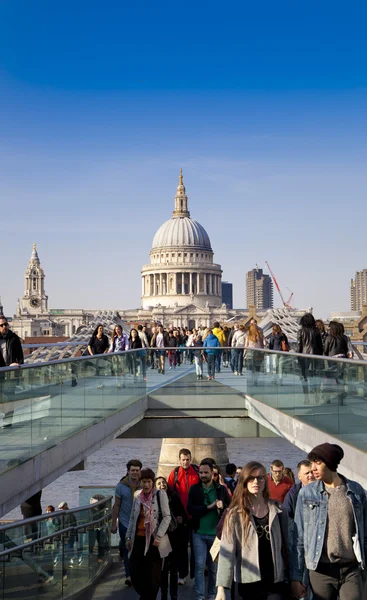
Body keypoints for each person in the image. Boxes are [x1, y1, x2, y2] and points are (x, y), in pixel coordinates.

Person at [291, 443, 366, 600]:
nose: (313, 468)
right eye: (312, 463)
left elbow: (365, 533)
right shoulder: (306, 493)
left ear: (330, 463)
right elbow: (299, 538)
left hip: (351, 568)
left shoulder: (355, 491)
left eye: (318, 463)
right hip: (320, 571)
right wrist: (296, 577)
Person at [216, 461, 290, 600]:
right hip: (247, 582)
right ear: (244, 481)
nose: (255, 481)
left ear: (265, 480)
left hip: (275, 580)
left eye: (260, 477)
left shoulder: (279, 510)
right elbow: (227, 551)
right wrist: (221, 588)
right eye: (251, 478)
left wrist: (296, 579)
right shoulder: (235, 514)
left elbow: (288, 547)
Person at [188, 460, 231, 600]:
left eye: (206, 472)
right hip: (198, 533)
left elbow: (230, 509)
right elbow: (190, 509)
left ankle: (212, 595)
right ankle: (200, 596)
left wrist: (222, 506)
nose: (203, 475)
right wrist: (208, 507)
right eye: (201, 472)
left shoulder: (221, 489)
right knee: (199, 566)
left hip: (216, 535)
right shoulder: (194, 489)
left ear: (213, 474)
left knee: (214, 568)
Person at [126, 468, 172, 600]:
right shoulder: (137, 495)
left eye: (149, 482)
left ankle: (148, 597)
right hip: (138, 540)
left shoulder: (160, 494)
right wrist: (128, 537)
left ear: (152, 482)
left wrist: (159, 536)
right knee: (134, 570)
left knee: (153, 576)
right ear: (140, 482)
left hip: (154, 541)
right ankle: (145, 595)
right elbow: (132, 518)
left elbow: (167, 517)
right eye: (144, 482)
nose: (146, 485)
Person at [167, 448, 200, 585]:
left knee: (196, 547)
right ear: (179, 460)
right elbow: (168, 495)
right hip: (181, 518)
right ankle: (182, 575)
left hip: (196, 516)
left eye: (187, 459)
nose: (185, 462)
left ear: (190, 459)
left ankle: (195, 573)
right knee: (180, 548)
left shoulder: (197, 472)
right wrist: (174, 516)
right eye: (183, 459)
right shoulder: (174, 474)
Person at [111, 458, 142, 586]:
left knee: (139, 549)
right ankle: (128, 575)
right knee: (127, 549)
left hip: (140, 522)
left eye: (137, 470)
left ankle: (138, 573)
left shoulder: (144, 484)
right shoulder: (121, 486)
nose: (135, 472)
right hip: (125, 522)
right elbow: (116, 505)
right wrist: (114, 524)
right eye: (132, 470)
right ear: (128, 471)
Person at [155, 476, 187, 600]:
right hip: (162, 538)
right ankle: (163, 595)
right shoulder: (154, 499)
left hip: (174, 537)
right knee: (163, 569)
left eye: (163, 482)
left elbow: (183, 515)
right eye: (159, 483)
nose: (162, 485)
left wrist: (180, 519)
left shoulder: (174, 497)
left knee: (173, 570)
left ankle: (174, 595)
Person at [0, 316, 24, 428]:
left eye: (6, 324)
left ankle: (7, 421)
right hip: (0, 373)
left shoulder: (14, 338)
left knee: (9, 397)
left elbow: (21, 356)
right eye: (1, 325)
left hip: (11, 373)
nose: (4, 327)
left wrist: (17, 366)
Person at [297, 313, 323, 392]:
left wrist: (298, 357)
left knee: (304, 376)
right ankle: (316, 394)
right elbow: (320, 345)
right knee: (315, 375)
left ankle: (306, 397)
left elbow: (299, 346)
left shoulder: (300, 331)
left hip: (304, 356)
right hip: (316, 356)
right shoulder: (317, 331)